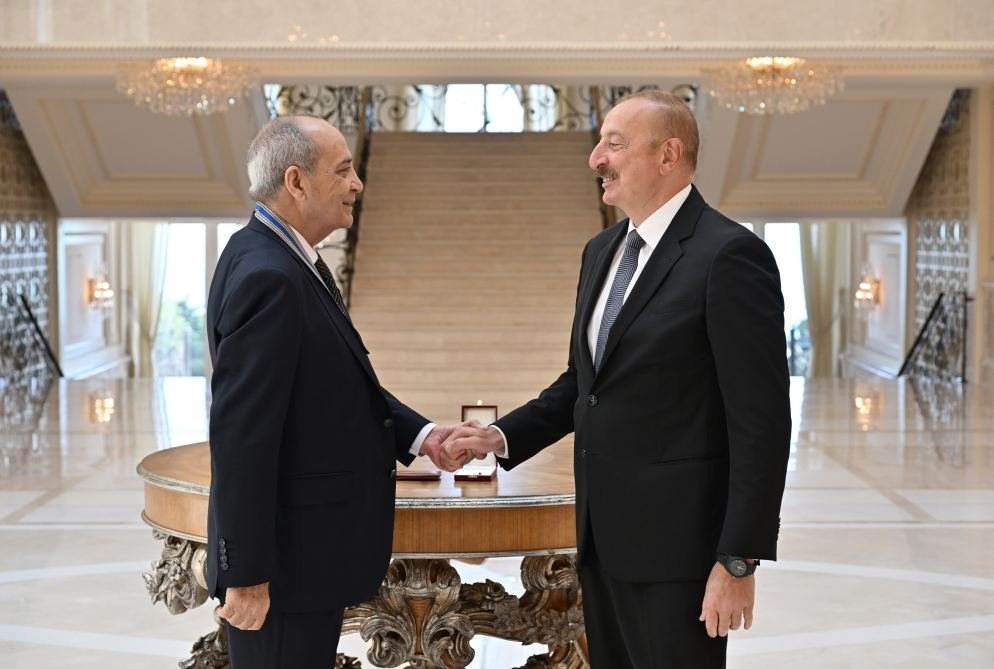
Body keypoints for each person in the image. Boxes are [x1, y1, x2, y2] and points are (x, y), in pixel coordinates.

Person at [442, 91, 791, 668]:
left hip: (682, 554)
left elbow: (762, 423)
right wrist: (499, 437)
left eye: (615, 144)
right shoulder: (601, 250)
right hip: (601, 544)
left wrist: (738, 560)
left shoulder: (730, 256)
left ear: (668, 154)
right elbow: (585, 382)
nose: (595, 158)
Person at [206, 115, 468, 668]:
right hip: (282, 569)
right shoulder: (270, 275)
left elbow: (335, 384)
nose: (358, 183)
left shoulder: (277, 256)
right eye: (344, 171)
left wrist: (422, 436)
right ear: (296, 182)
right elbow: (242, 438)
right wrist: (247, 574)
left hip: (302, 563)